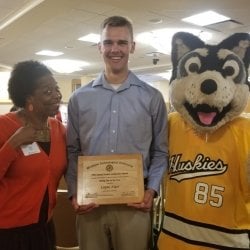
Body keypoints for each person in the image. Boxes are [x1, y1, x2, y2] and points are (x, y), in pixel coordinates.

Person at [65, 15, 168, 250]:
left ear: (132, 46)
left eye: (122, 43)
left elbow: (161, 151)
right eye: (109, 42)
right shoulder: (79, 99)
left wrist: (151, 191)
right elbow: (72, 150)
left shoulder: (152, 97)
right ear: (99, 46)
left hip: (135, 203)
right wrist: (73, 193)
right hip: (90, 203)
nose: (115, 49)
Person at [0, 60, 67, 250]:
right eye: (47, 92)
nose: (57, 96)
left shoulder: (58, 129)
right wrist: (13, 144)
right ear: (28, 98)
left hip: (44, 227)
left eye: (56, 89)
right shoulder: (4, 127)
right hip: (8, 233)